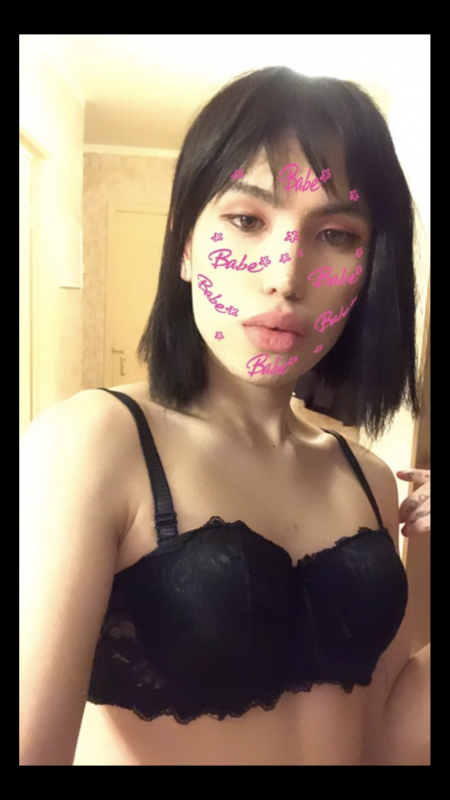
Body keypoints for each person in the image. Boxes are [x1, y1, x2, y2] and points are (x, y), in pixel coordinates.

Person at [20, 66, 429, 766]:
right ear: (184, 244)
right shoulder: (93, 445)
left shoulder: (367, 478)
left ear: (370, 272)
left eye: (335, 234)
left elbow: (385, 726)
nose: (285, 275)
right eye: (246, 221)